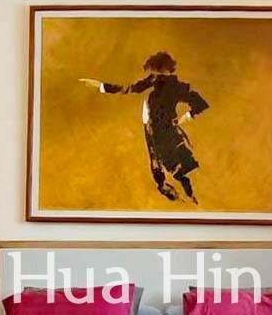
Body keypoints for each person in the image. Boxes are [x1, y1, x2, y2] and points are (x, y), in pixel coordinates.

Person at [80, 51, 210, 203]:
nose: (154, 75)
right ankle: (183, 193)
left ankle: (190, 195)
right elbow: (130, 89)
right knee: (163, 166)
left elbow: (200, 104)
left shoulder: (176, 87)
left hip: (165, 131)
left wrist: (185, 117)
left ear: (165, 69)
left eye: (157, 71)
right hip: (152, 128)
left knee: (174, 166)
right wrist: (101, 86)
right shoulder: (156, 81)